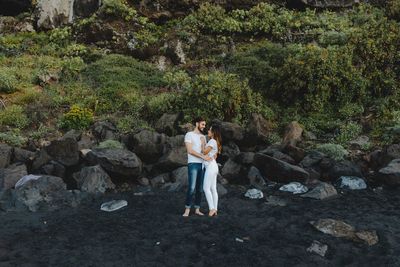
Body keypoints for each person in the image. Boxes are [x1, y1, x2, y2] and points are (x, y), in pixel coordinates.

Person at [183, 117, 212, 217]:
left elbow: (203, 150)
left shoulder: (203, 137)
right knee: (191, 187)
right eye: (202, 124)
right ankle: (187, 209)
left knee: (200, 189)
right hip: (193, 164)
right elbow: (190, 151)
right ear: (197, 124)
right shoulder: (189, 135)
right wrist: (203, 156)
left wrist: (204, 143)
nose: (204, 126)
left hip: (202, 165)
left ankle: (197, 209)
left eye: (204, 125)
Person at [202, 124, 222, 217]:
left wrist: (203, 142)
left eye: (209, 130)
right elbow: (215, 155)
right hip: (214, 166)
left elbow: (204, 151)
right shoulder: (216, 142)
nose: (208, 131)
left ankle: (211, 209)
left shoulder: (212, 141)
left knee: (206, 188)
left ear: (213, 132)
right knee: (213, 188)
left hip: (210, 167)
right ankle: (215, 209)